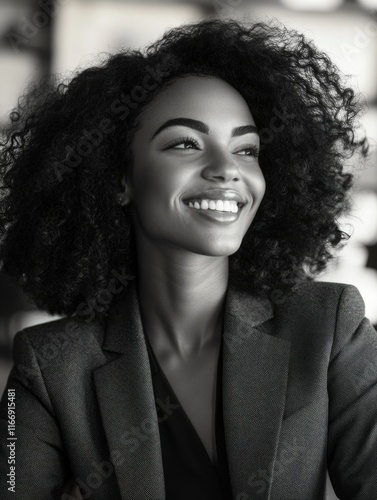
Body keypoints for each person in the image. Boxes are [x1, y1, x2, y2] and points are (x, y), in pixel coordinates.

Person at [0, 16, 376, 500]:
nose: (226, 170)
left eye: (246, 149)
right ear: (120, 178)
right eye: (185, 143)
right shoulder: (46, 369)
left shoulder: (329, 329)